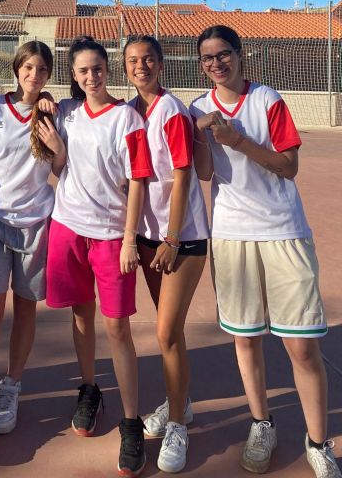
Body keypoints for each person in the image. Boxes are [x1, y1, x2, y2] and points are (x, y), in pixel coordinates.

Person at [190, 25, 339, 478]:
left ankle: (318, 442)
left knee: (301, 347)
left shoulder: (267, 100)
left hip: (282, 231)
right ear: (202, 65)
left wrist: (240, 143)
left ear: (240, 56)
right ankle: (262, 423)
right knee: (246, 337)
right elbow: (202, 171)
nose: (217, 63)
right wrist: (199, 136)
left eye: (224, 54)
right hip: (232, 234)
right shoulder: (198, 106)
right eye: (208, 58)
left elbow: (288, 167)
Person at [45, 36, 154, 477]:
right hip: (67, 228)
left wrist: (130, 239)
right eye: (83, 71)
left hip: (111, 237)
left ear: (109, 70)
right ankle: (89, 389)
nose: (92, 76)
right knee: (80, 317)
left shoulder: (126, 118)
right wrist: (56, 145)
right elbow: (59, 169)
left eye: (98, 68)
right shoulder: (66, 114)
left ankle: (131, 421)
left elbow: (139, 183)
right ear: (73, 75)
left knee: (118, 328)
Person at [0, 41, 66, 460]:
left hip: (36, 226)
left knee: (25, 310)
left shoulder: (53, 115)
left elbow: (59, 169)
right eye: (28, 67)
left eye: (42, 70)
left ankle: (11, 388)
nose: (34, 75)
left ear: (48, 75)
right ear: (17, 69)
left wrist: (57, 143)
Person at [124, 35, 209, 473]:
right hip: (147, 236)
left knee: (166, 332)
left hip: (182, 237)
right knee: (167, 329)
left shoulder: (171, 110)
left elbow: (183, 176)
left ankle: (177, 424)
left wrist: (173, 237)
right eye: (134, 60)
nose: (142, 66)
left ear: (161, 65)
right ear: (125, 67)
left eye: (149, 60)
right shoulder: (129, 111)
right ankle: (183, 403)